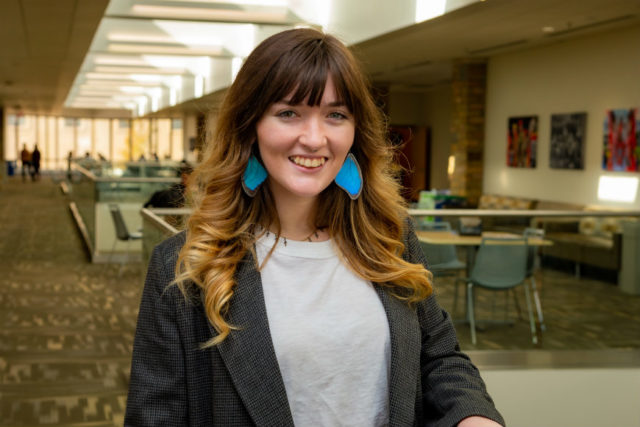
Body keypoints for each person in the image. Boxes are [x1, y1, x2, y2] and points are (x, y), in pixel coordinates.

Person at [125, 28, 504, 427]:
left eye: (336, 115)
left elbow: (440, 355)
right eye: (289, 113)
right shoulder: (185, 266)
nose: (314, 138)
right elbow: (154, 416)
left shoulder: (389, 238)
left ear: (356, 131)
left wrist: (474, 416)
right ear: (250, 126)